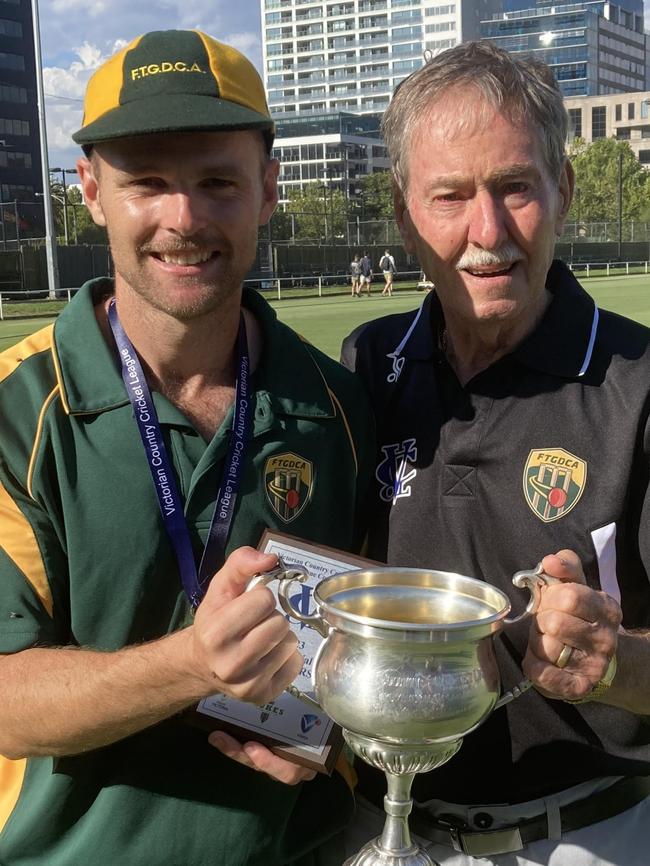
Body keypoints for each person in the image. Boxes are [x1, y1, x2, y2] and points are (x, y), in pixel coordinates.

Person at [0, 30, 374, 866]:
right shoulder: (17, 411)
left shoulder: (335, 405)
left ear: (268, 188)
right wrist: (197, 664)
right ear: (91, 191)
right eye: (149, 184)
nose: (184, 218)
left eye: (216, 182)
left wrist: (333, 730)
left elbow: (358, 634)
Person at [341, 40, 650, 866]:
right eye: (450, 196)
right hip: (377, 828)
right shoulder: (366, 364)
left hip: (586, 834)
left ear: (565, 191)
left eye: (515, 187)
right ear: (406, 219)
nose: (488, 232)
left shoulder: (640, 382)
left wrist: (614, 664)